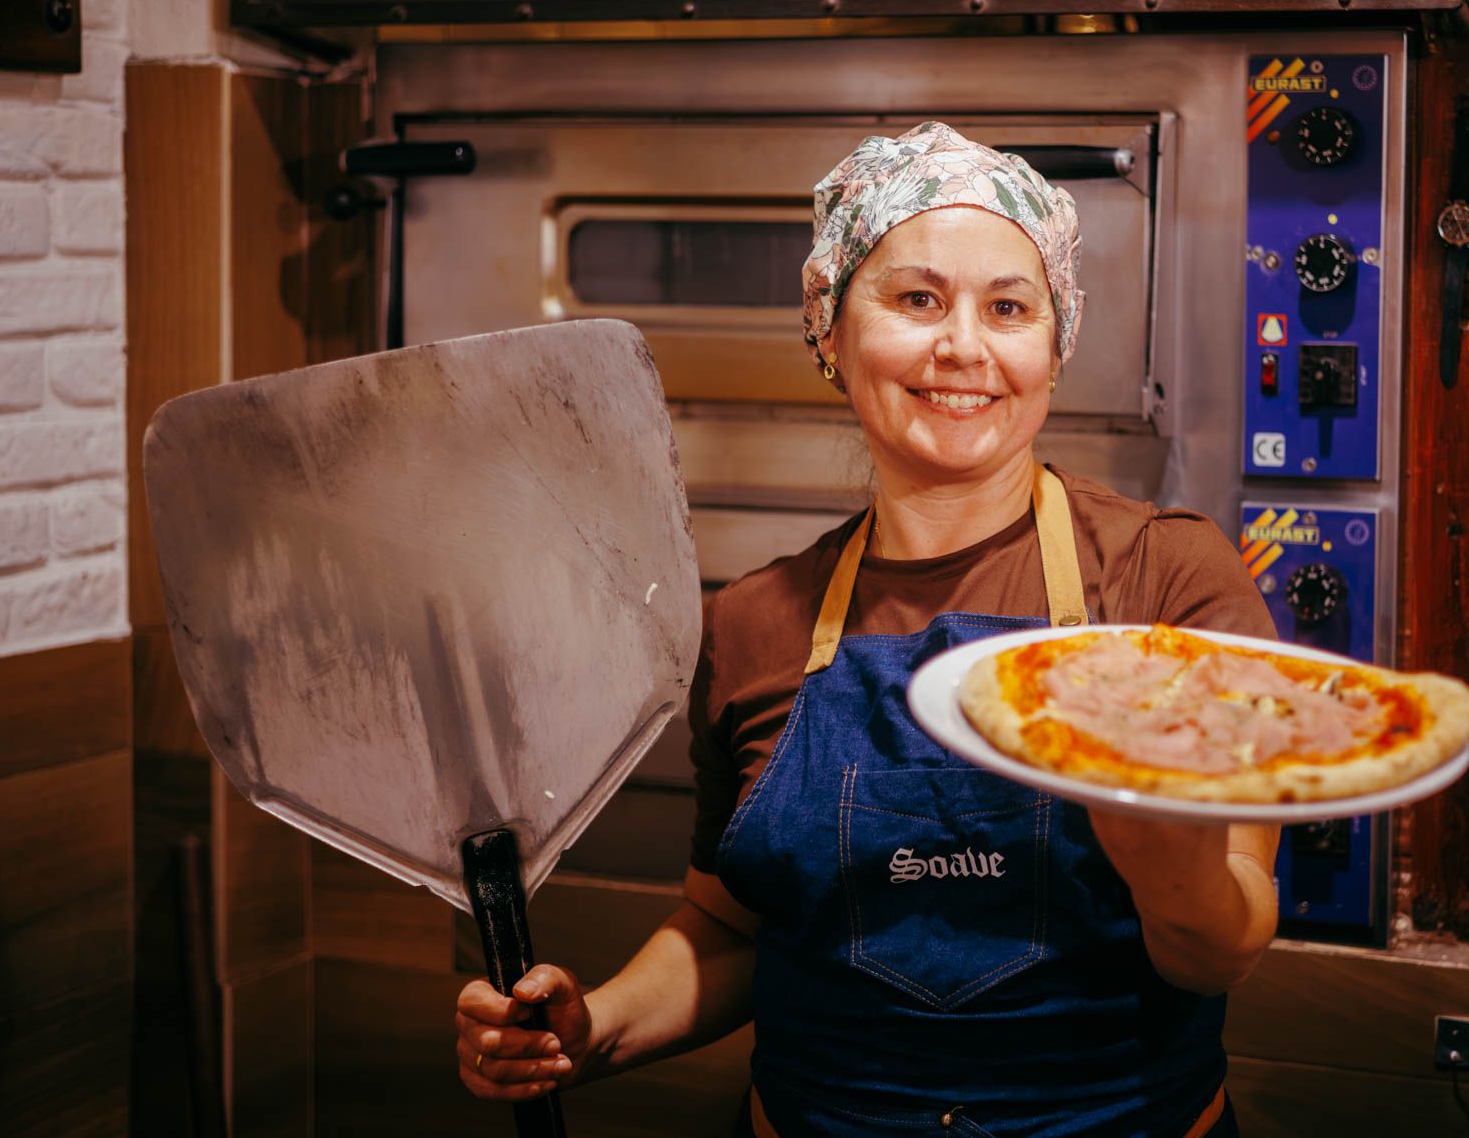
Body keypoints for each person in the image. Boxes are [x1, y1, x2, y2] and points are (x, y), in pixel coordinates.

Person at [456, 121, 1280, 1137]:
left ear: (1054, 348)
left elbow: (1224, 948)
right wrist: (596, 1029)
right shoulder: (752, 624)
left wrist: (1162, 851)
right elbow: (731, 925)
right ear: (831, 333)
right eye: (918, 299)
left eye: (1010, 308)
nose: (963, 346)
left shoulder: (1166, 584)